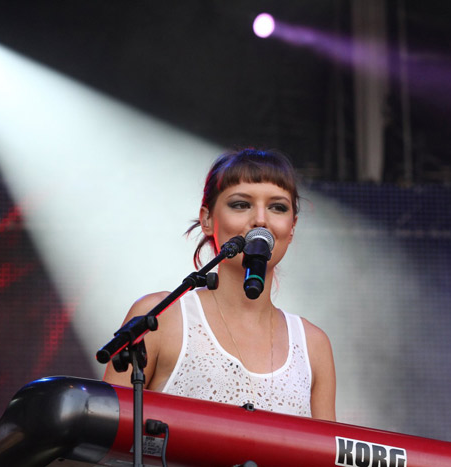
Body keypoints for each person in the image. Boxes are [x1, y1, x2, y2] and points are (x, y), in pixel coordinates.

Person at [103, 148, 336, 421]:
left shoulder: (313, 346)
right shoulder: (160, 317)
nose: (261, 220)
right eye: (241, 204)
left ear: (292, 227)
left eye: (277, 207)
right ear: (207, 219)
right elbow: (100, 441)